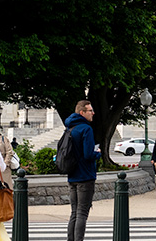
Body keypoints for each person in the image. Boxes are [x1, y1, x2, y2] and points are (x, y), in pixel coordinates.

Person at [65, 100, 100, 241]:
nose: (93, 113)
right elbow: (88, 154)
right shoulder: (86, 129)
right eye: (90, 110)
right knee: (82, 213)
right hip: (85, 176)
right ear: (82, 113)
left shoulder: (70, 128)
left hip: (72, 175)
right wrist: (98, 152)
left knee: (74, 212)